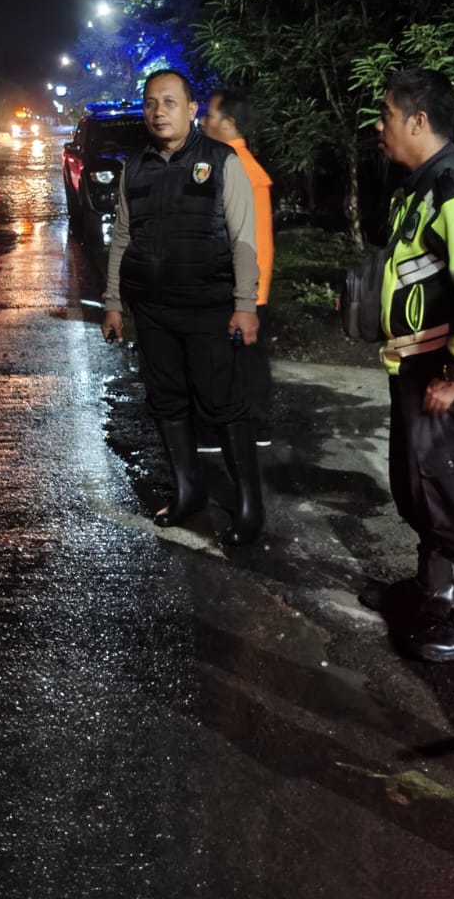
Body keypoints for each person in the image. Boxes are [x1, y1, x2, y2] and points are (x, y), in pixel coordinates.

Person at [360, 68, 454, 664]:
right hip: (416, 366)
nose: (380, 127)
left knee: (450, 488)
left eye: (387, 115)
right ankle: (435, 590)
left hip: (441, 372)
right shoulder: (420, 187)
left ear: (418, 121)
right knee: (416, 486)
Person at [101, 69, 265, 547]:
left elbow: (243, 240)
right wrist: (113, 301)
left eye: (169, 102)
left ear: (191, 110)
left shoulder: (221, 161)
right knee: (166, 401)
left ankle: (250, 506)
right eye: (151, 103)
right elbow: (122, 239)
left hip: (209, 308)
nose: (158, 112)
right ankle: (188, 491)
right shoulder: (136, 167)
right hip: (151, 310)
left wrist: (245, 304)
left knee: (223, 403)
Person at [198, 86, 275, 448]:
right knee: (248, 362)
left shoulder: (236, 168)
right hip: (248, 287)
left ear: (228, 123)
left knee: (227, 362)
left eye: (209, 115)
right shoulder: (237, 163)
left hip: (240, 287)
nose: (202, 120)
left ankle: (228, 430)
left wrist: (243, 299)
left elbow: (245, 241)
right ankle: (255, 427)